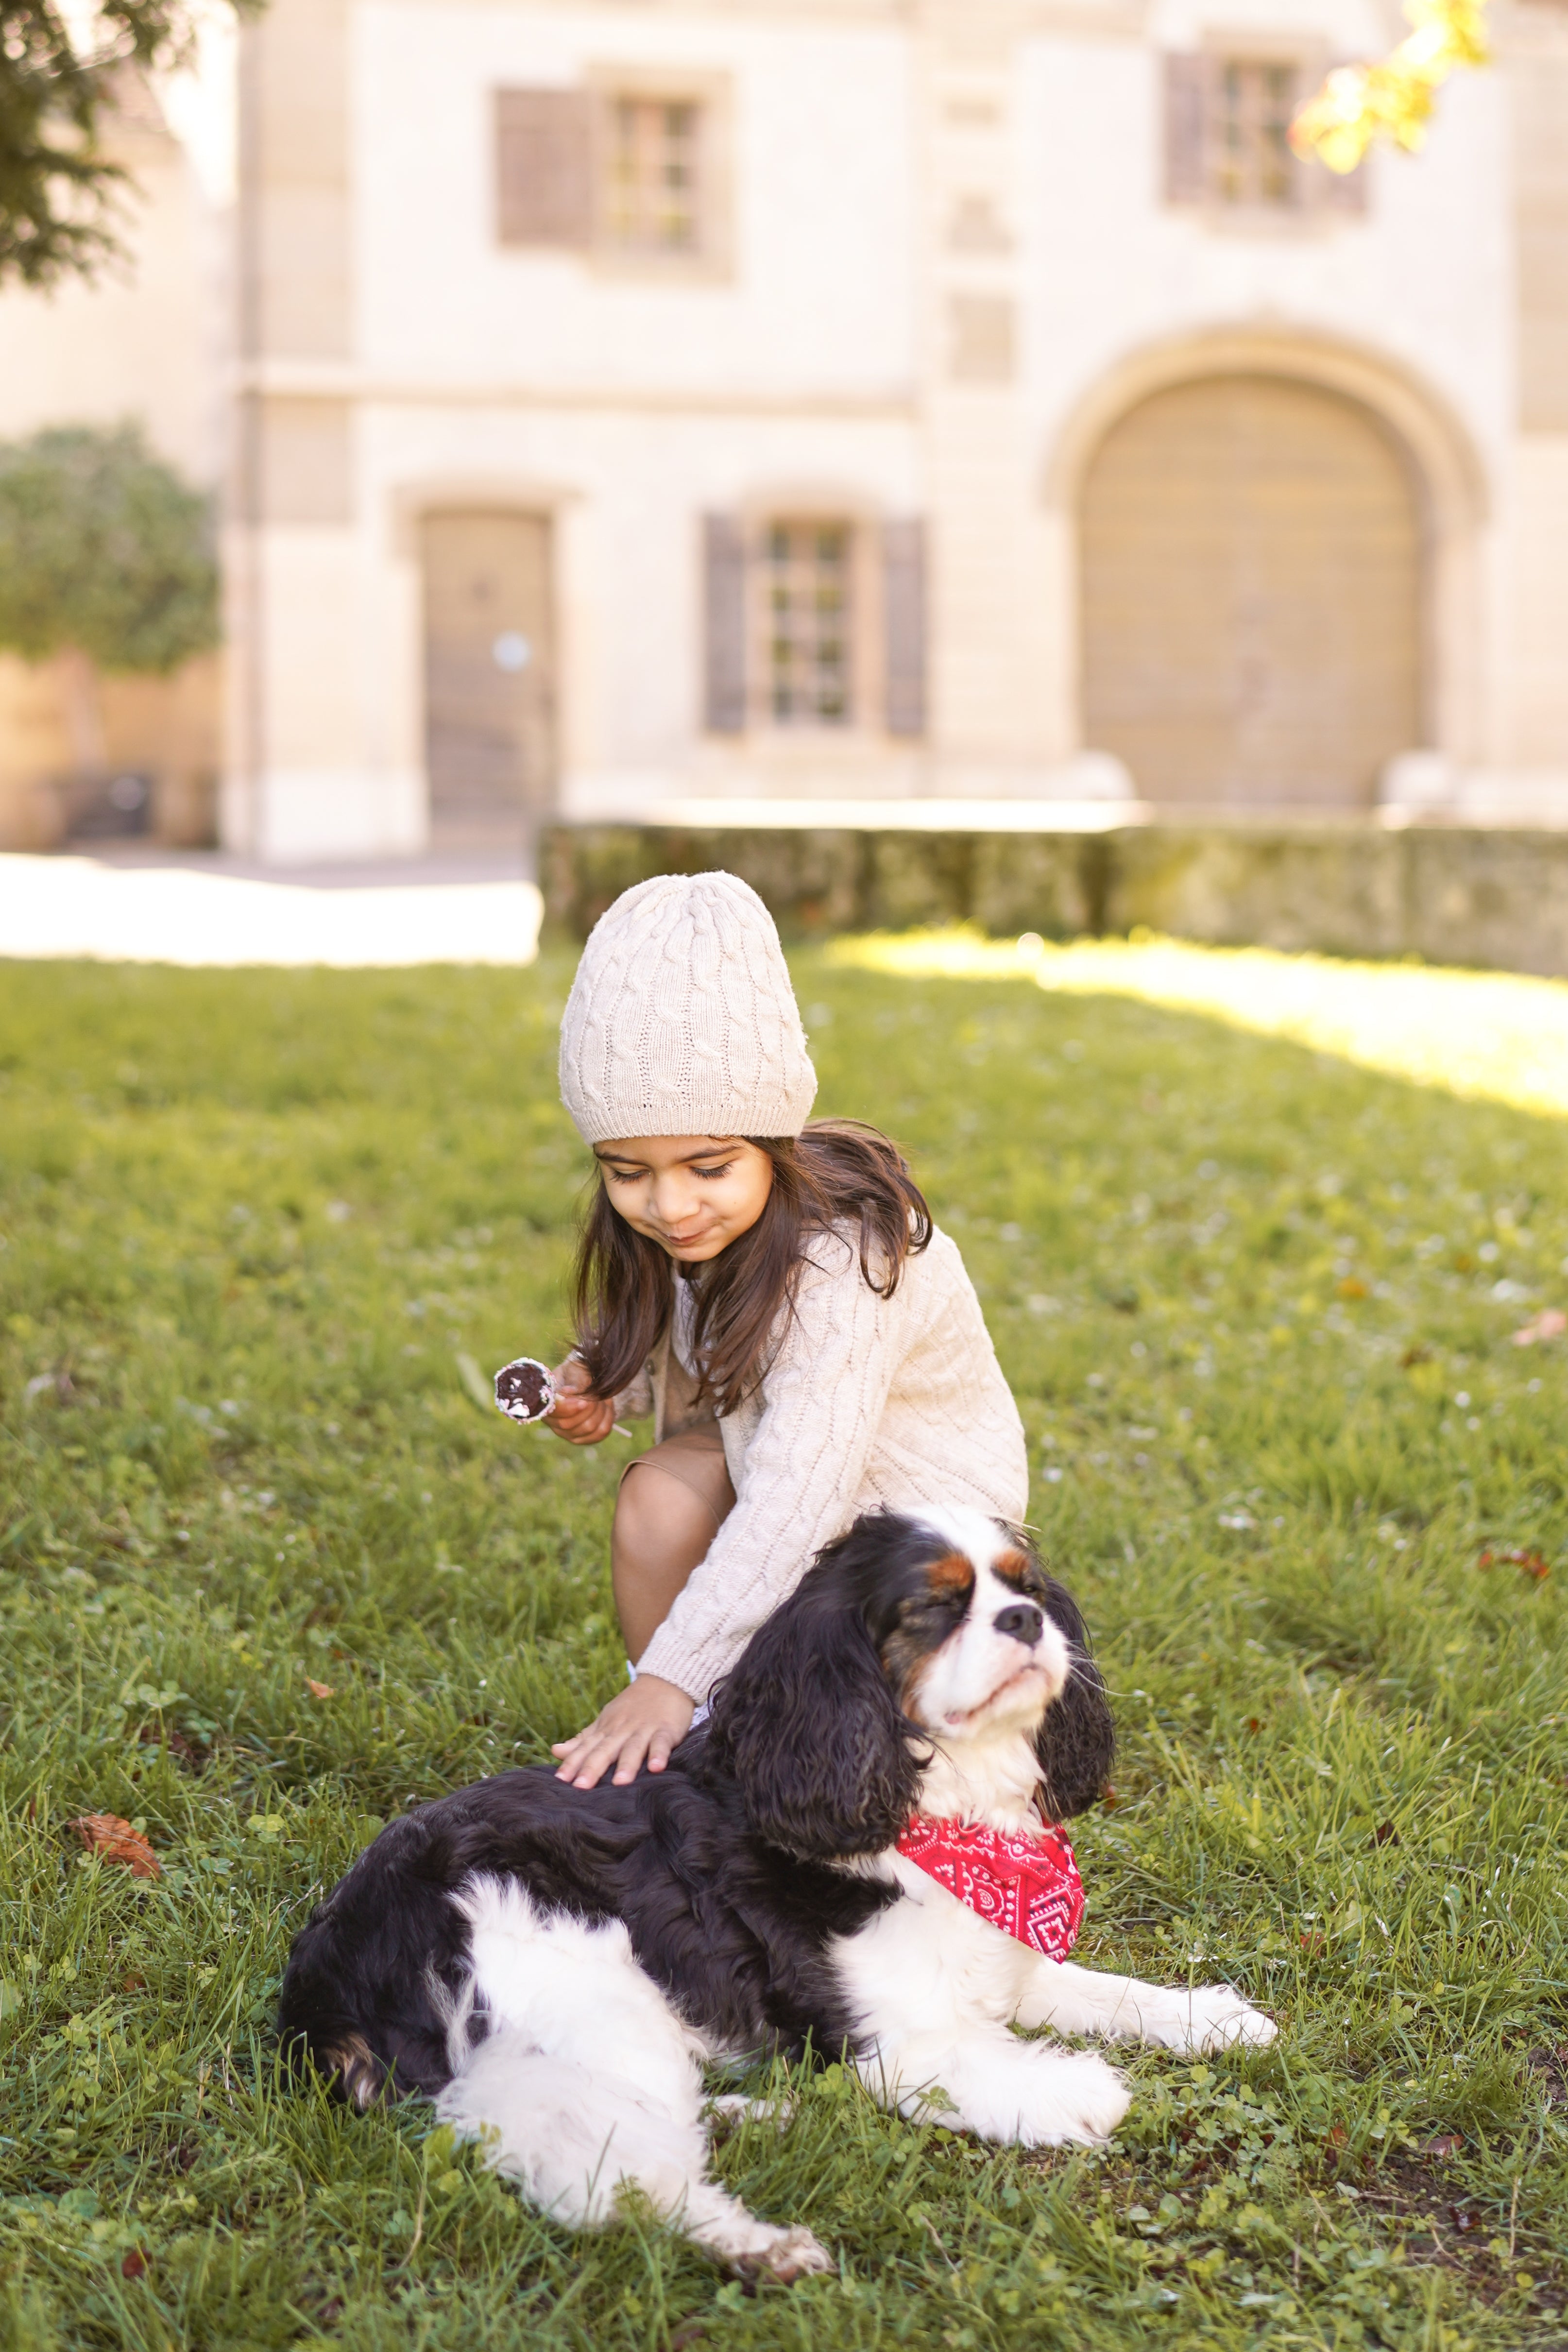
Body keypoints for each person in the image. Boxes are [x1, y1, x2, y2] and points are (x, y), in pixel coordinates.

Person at [545, 872, 1028, 1790]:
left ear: (771, 1140)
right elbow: (698, 1344)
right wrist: (608, 1378)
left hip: (911, 1527)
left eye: (707, 1165)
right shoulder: (698, 1225)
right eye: (626, 1171)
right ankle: (709, 1753)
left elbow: (800, 1502)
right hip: (788, 1470)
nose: (669, 1204)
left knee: (873, 1774)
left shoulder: (843, 1265)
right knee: (660, 1495)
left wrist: (667, 1676)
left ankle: (726, 1713)